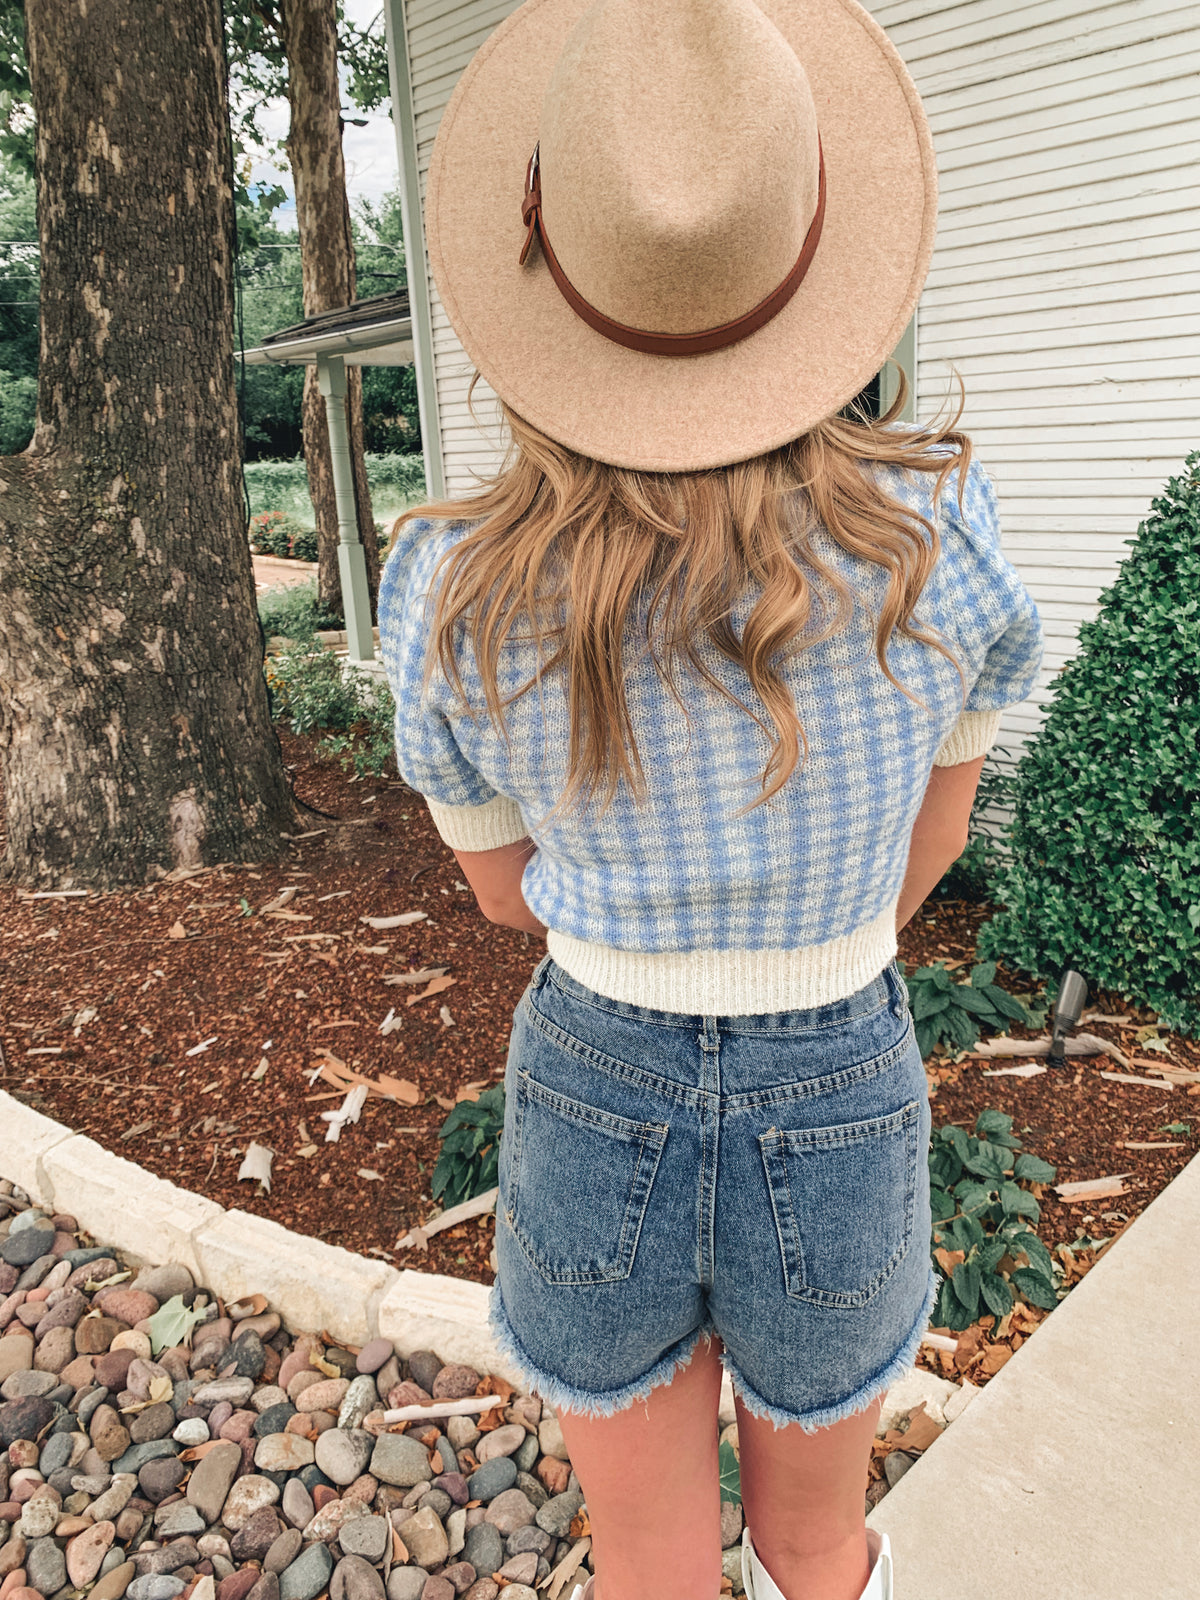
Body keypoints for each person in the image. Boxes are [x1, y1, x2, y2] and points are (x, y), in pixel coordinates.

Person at [378, 2, 1044, 1598]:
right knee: (817, 1542)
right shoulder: (933, 540)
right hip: (841, 1068)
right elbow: (934, 843)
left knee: (649, 1557)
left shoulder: (454, 585)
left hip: (595, 1061)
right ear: (810, 261)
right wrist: (807, 945)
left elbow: (495, 891)